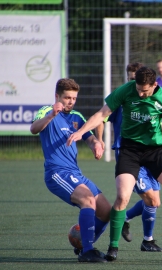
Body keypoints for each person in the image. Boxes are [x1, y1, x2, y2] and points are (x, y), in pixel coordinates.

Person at [67, 66, 162, 262]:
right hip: (129, 151)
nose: (141, 93)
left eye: (145, 90)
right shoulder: (126, 90)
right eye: (138, 89)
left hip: (155, 151)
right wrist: (82, 132)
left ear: (155, 85)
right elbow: (101, 114)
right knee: (122, 197)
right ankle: (113, 247)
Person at [30, 78, 111, 263]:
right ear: (57, 96)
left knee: (106, 211)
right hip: (57, 173)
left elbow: (89, 138)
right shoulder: (46, 111)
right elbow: (34, 129)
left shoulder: (77, 117)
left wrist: (96, 145)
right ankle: (88, 251)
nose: (71, 102)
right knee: (88, 201)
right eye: (67, 97)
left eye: (74, 98)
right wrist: (51, 115)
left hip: (75, 172)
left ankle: (83, 245)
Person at [95, 62, 162, 252]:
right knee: (147, 197)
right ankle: (101, 238)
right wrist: (99, 140)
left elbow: (157, 121)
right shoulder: (123, 96)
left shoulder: (151, 97)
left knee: (155, 201)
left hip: (151, 152)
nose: (136, 83)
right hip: (128, 152)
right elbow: (101, 117)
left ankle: (144, 237)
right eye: (132, 78)